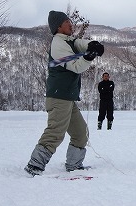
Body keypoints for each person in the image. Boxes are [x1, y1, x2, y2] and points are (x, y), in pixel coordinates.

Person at [24, 10, 104, 177]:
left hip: (66, 98)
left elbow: (79, 43)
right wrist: (88, 58)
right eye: (68, 22)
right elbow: (76, 66)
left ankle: (74, 165)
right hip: (59, 98)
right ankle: (34, 166)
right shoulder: (58, 44)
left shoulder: (67, 40)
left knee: (81, 133)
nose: (71, 24)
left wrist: (93, 45)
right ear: (59, 26)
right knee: (55, 133)